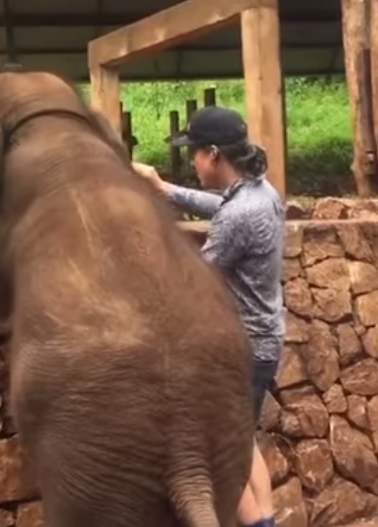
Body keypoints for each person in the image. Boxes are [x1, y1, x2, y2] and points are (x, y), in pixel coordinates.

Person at [132, 106, 285, 527]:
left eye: (195, 154)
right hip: (263, 341)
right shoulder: (260, 193)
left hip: (240, 348)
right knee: (242, 439)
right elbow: (221, 204)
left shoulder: (239, 216)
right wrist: (165, 188)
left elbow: (196, 282)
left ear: (214, 154)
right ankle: (267, 521)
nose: (193, 162)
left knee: (222, 455)